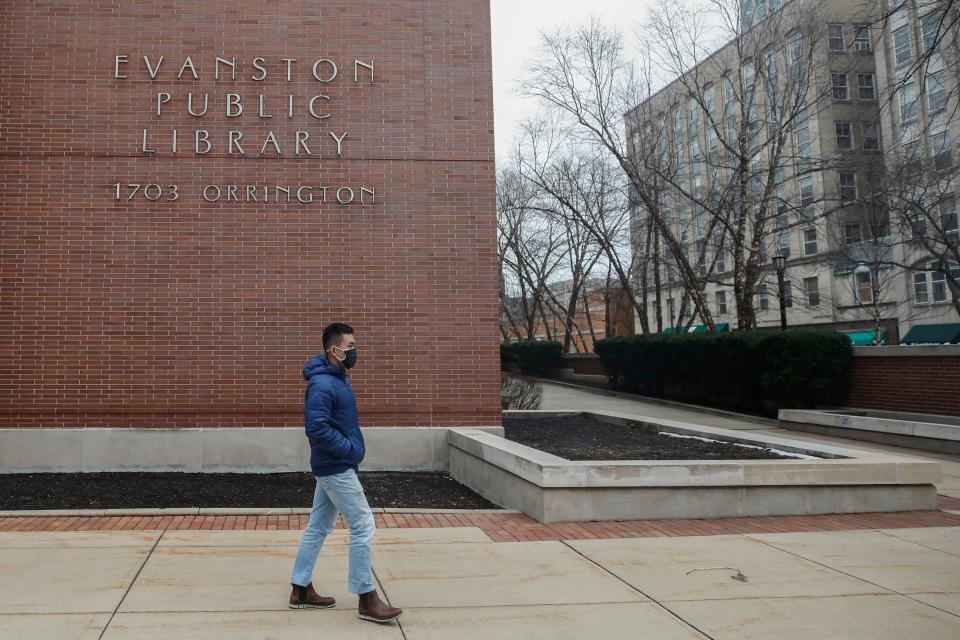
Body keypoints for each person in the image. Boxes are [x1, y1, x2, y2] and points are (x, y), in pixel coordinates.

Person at [288, 322, 403, 623]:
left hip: (332, 465)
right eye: (350, 346)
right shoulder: (324, 385)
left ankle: (300, 589)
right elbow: (316, 428)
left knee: (318, 526)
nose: (355, 351)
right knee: (363, 523)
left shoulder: (336, 378)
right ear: (334, 350)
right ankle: (366, 598)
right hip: (336, 466)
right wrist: (349, 450)